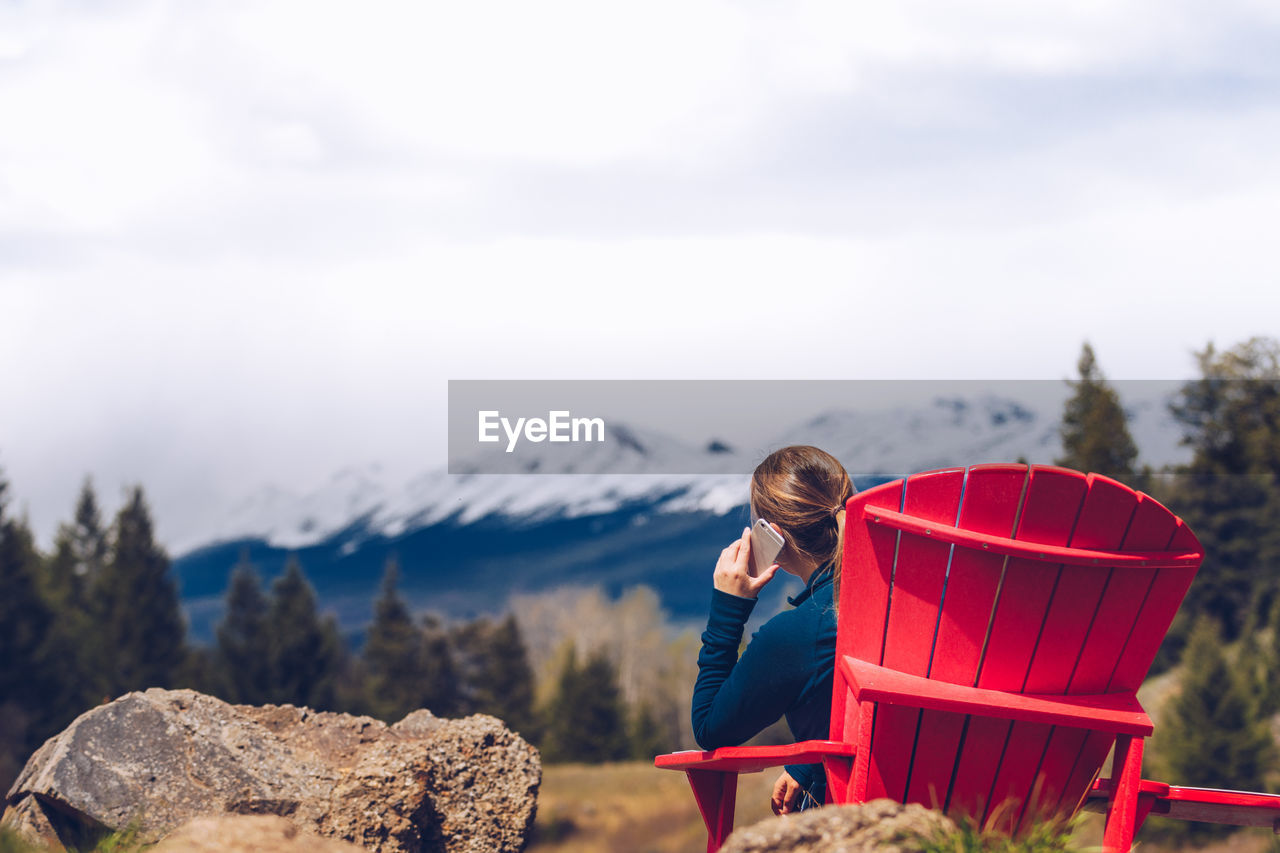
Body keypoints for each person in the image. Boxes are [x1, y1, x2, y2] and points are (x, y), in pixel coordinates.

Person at [691, 445, 854, 815]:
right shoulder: (909, 602)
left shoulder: (798, 632)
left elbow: (710, 727)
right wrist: (812, 758)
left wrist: (728, 609)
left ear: (773, 534)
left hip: (851, 822)